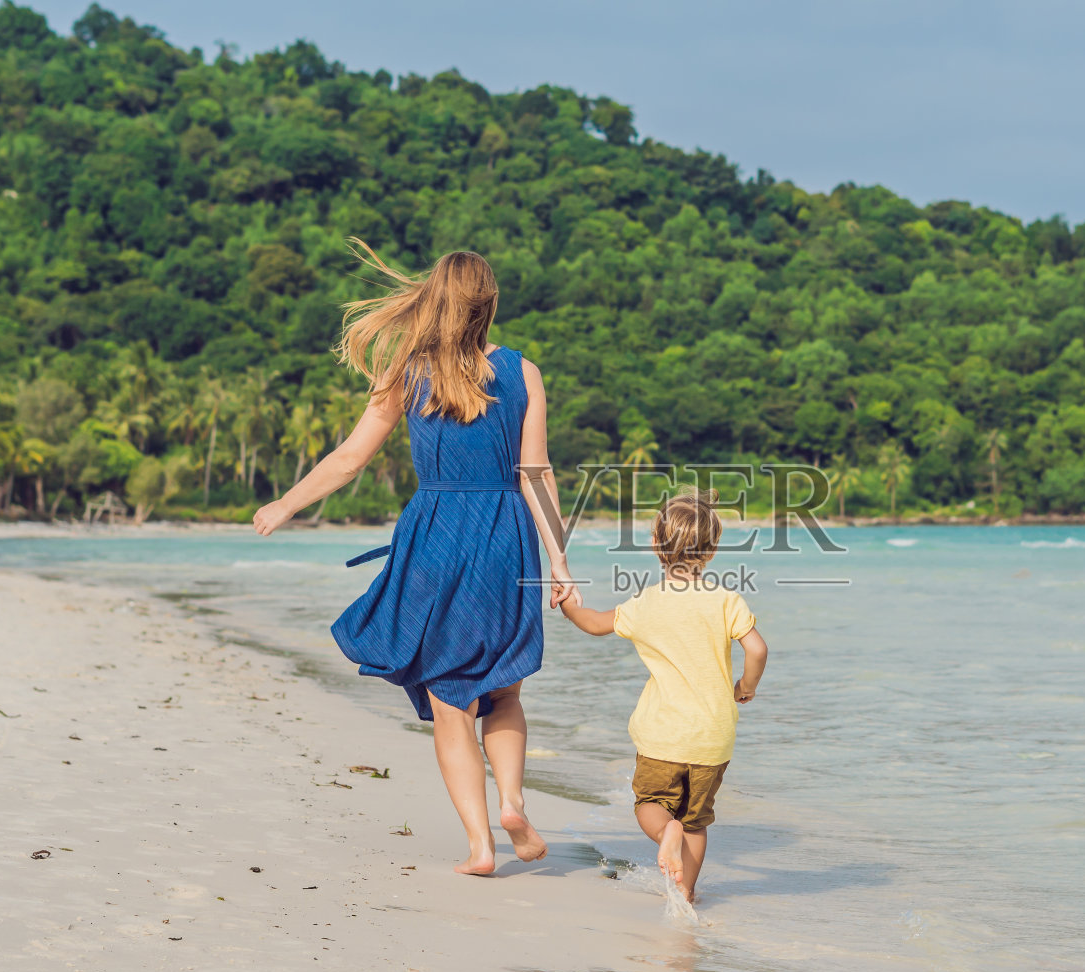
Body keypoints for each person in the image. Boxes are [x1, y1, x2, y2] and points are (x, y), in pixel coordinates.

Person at [253, 242, 579, 876]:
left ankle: (482, 845)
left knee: (450, 699)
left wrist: (285, 505)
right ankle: (513, 803)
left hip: (434, 535)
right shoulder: (523, 372)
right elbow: (535, 472)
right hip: (504, 535)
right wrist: (559, 562)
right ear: (490, 304)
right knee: (503, 686)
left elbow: (349, 460)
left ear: (434, 300)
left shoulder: (405, 371)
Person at [559, 487, 767, 902]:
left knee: (650, 805)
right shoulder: (726, 599)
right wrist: (745, 687)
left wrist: (567, 603)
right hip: (713, 737)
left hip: (663, 736)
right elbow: (758, 649)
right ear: (712, 549)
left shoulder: (646, 603)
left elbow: (595, 623)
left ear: (655, 544)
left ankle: (663, 832)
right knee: (696, 821)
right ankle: (685, 892)